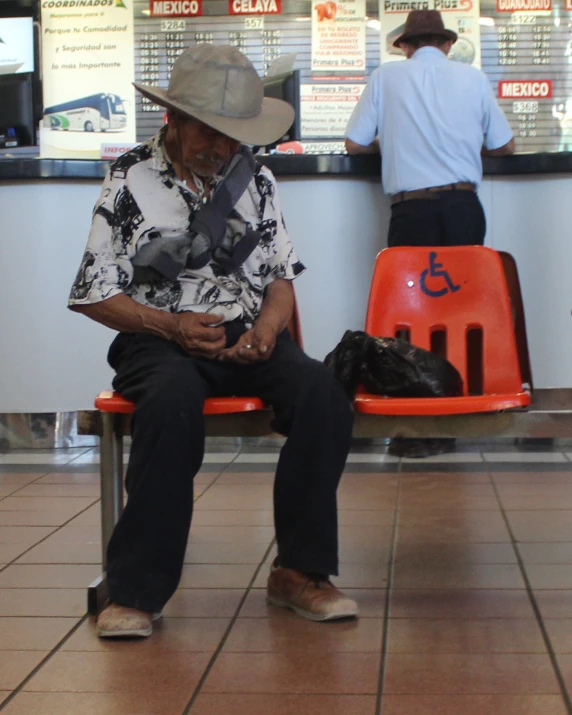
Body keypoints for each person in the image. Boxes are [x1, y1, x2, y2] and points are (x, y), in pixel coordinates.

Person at [69, 44, 358, 637]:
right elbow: (92, 293)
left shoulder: (257, 176)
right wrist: (169, 325)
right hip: (157, 338)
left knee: (324, 393)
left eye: (234, 136)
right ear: (172, 120)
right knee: (172, 402)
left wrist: (267, 330)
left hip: (246, 333)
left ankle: (301, 572)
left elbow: (281, 280)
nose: (222, 147)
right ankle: (136, 592)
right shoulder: (129, 177)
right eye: (209, 132)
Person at [345, 10, 515, 458]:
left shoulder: (386, 77)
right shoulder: (472, 79)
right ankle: (462, 413)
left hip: (412, 212)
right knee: (464, 314)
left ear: (405, 45)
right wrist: (460, 142)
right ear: (445, 44)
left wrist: (396, 140)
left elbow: (355, 143)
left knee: (412, 320)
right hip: (463, 209)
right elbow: (504, 145)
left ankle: (416, 425)